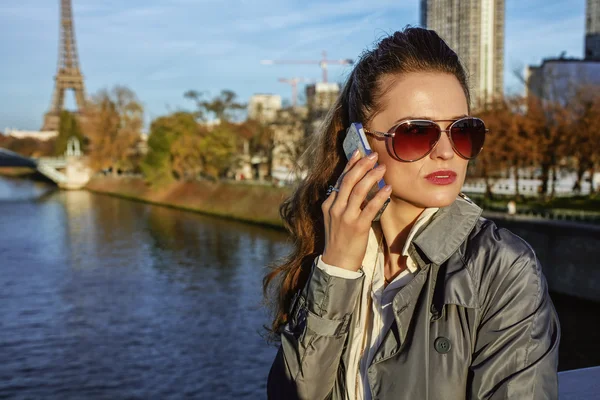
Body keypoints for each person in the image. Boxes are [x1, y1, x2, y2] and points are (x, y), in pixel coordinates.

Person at [263, 27, 560, 400]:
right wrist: (336, 270)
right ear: (359, 144)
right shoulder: (332, 250)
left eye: (462, 130)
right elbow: (292, 393)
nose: (446, 151)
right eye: (416, 133)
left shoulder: (503, 268)